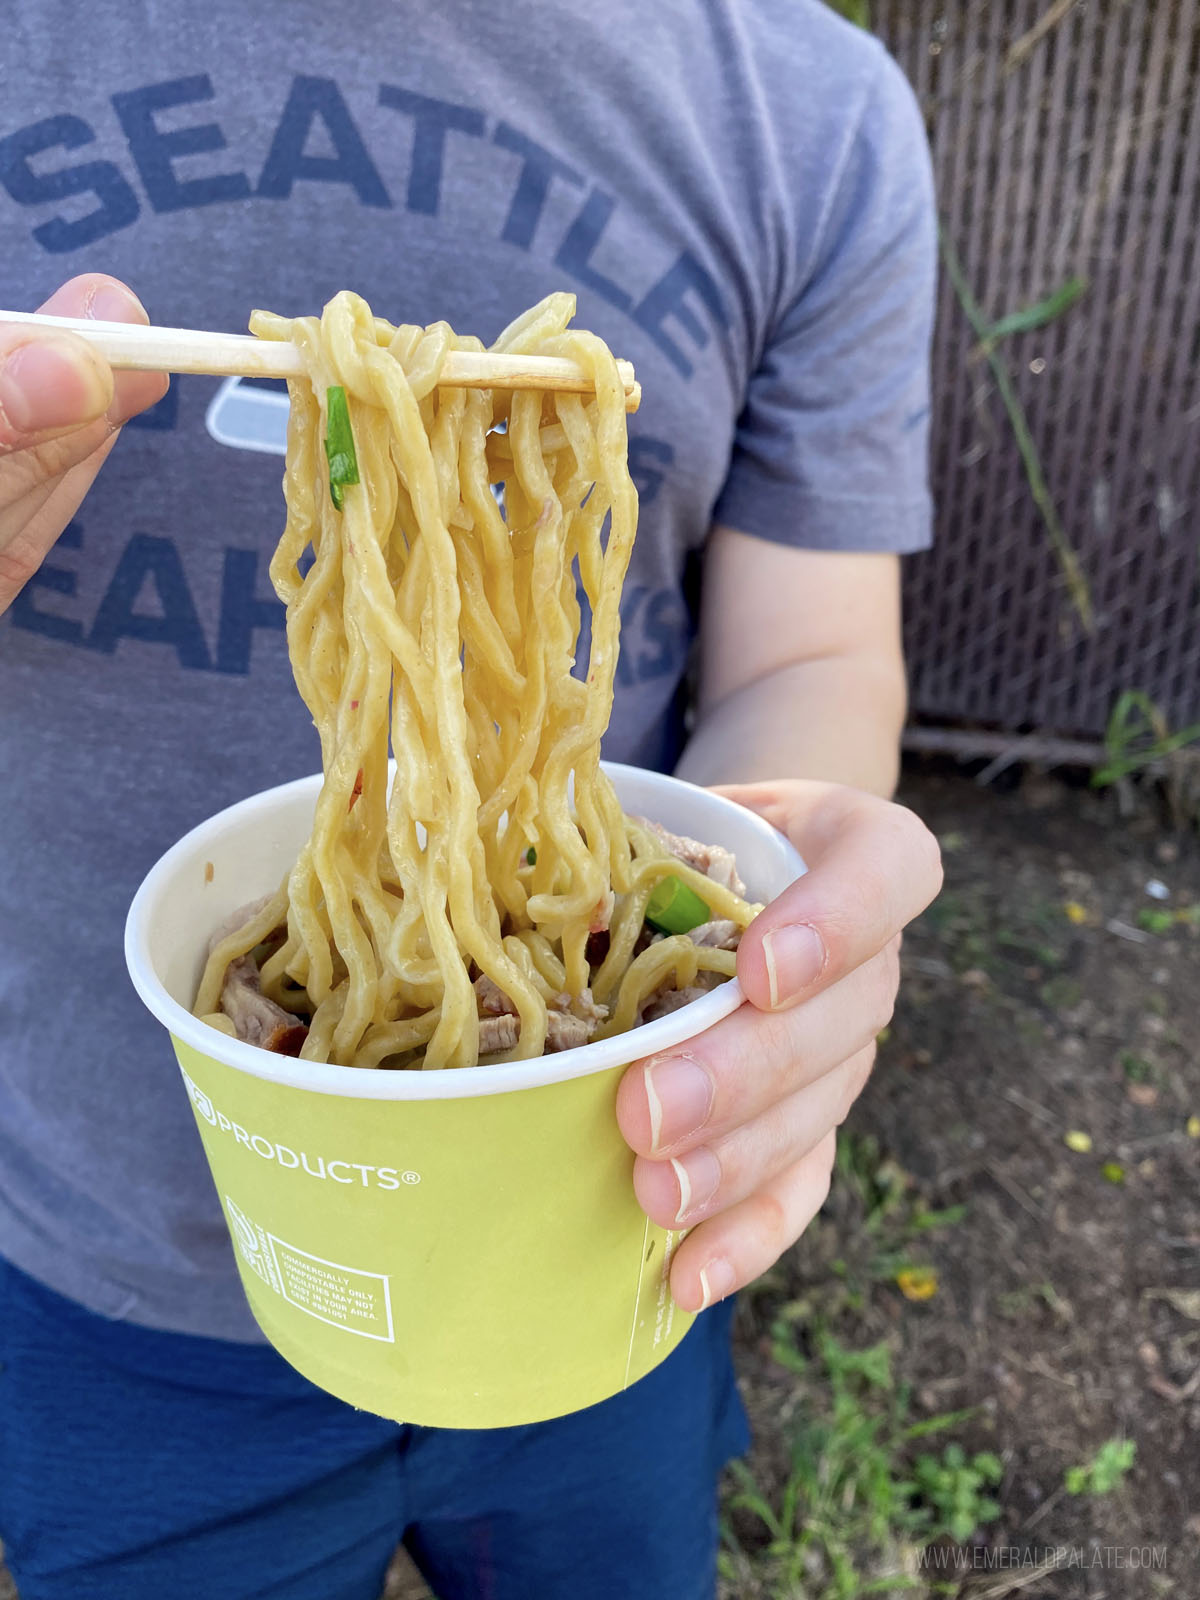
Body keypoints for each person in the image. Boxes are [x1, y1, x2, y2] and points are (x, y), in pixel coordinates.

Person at [0, 2, 943, 1595]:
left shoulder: (810, 112)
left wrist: (778, 877)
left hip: (602, 1202)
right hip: (103, 1276)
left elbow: (818, 649)